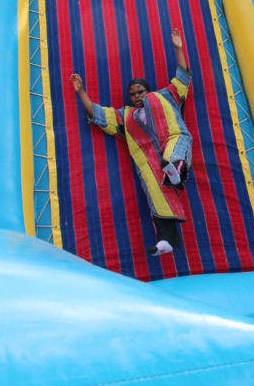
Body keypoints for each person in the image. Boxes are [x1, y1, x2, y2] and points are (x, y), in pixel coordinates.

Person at [70, 28, 192, 257]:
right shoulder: (125, 116)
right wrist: (81, 92)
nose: (137, 96)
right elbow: (98, 114)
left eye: (141, 91)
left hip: (174, 139)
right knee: (157, 198)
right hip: (151, 164)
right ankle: (166, 240)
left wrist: (178, 48)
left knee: (174, 155)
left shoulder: (165, 96)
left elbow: (183, 76)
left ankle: (176, 171)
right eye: (133, 94)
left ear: (149, 90)